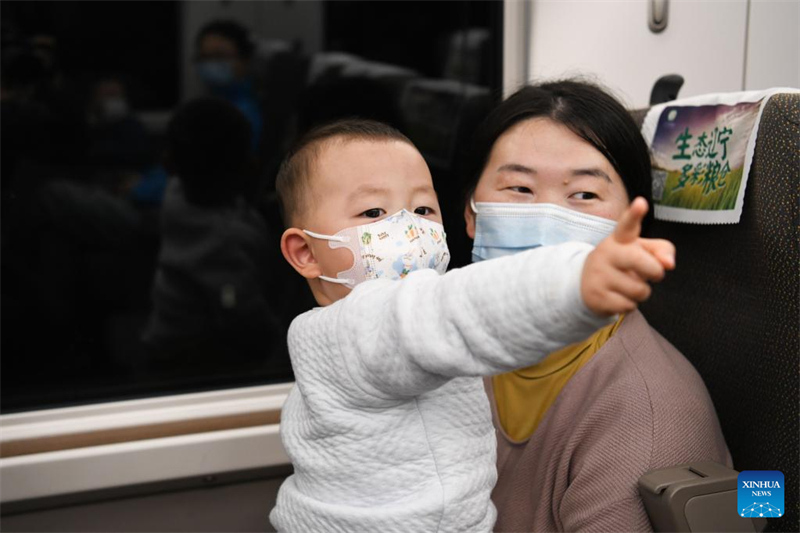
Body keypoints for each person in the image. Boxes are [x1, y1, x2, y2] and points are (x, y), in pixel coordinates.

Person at [269, 118, 675, 532]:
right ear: (305, 253)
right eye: (373, 212)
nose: (409, 229)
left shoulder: (645, 396)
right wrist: (572, 284)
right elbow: (450, 311)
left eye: (423, 210)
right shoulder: (353, 332)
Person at [462, 80, 731, 532]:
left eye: (584, 194)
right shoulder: (443, 338)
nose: (546, 218)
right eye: (520, 188)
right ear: (471, 213)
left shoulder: (646, 418)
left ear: (633, 227)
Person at [142, 98, 289, 376]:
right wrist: (283, 338)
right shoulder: (224, 245)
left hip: (162, 339)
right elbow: (246, 319)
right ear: (247, 165)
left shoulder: (176, 193)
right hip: (185, 360)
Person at [194, 20, 262, 151]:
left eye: (220, 56)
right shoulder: (203, 107)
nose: (211, 64)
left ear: (245, 59)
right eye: (205, 57)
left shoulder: (252, 111)